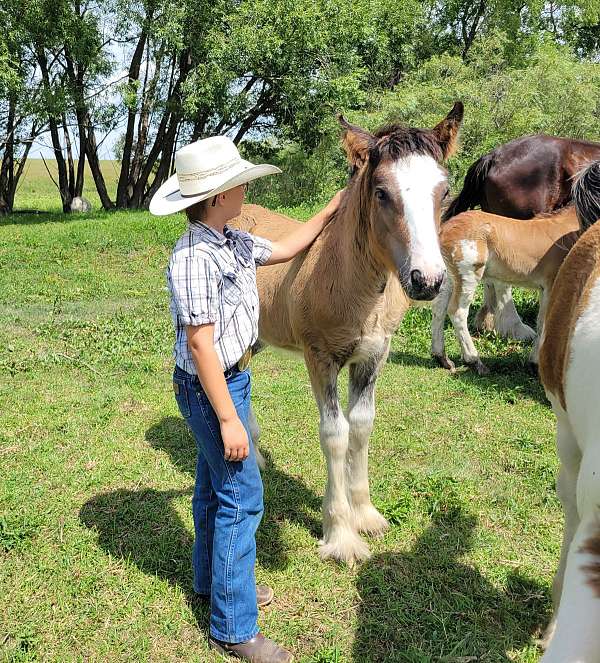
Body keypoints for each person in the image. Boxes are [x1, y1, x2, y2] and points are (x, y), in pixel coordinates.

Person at [149, 136, 341, 663]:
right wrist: (231, 419)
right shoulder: (193, 258)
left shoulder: (230, 239)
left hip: (231, 381)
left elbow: (285, 248)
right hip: (211, 388)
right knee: (243, 496)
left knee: (213, 487)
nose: (247, 188)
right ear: (216, 197)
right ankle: (234, 626)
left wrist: (332, 208)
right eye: (239, 183)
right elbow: (199, 343)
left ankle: (213, 583)